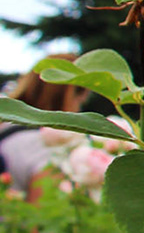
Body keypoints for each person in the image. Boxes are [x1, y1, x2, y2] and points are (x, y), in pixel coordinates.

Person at [0, 56, 89, 192]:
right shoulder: (45, 145)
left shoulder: (5, 125)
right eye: (80, 101)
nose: (78, 110)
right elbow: (45, 203)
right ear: (69, 94)